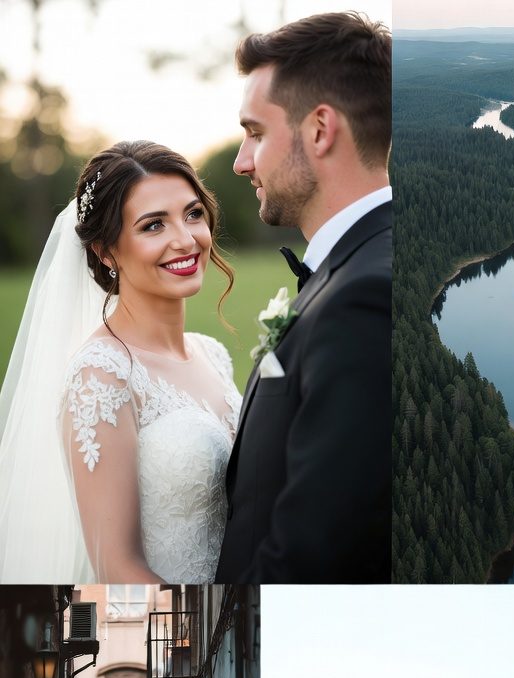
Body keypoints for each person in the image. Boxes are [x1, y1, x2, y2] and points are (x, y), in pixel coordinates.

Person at [0, 141, 241, 583]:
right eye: (153, 226)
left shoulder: (213, 354)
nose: (185, 239)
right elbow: (117, 567)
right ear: (105, 251)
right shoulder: (101, 376)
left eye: (192, 214)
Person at [215, 11, 392, 583]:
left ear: (319, 129)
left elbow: (314, 556)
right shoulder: (352, 272)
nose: (243, 161)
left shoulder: (364, 298)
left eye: (256, 133)